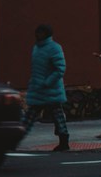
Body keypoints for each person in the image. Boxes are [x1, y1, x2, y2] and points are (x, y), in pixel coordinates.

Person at [27, 24, 71, 152]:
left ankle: (64, 141)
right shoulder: (36, 48)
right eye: (37, 32)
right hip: (39, 89)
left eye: (41, 32)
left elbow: (60, 69)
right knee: (30, 116)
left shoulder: (54, 48)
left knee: (57, 116)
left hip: (51, 89)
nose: (38, 35)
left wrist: (47, 82)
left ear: (47, 34)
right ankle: (16, 139)